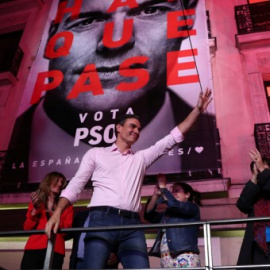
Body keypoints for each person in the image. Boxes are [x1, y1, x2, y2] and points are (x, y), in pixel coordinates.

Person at [4, 0, 219, 184]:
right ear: (52, 35)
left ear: (186, 17)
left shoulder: (204, 138)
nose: (115, 40)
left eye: (149, 11)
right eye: (87, 21)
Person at [44, 88, 212, 269]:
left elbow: (172, 138)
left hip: (132, 224)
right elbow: (76, 185)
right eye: (132, 126)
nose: (136, 130)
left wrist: (197, 110)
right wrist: (57, 212)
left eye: (139, 129)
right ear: (118, 128)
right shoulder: (96, 154)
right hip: (102, 219)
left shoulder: (140, 158)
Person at [144, 173, 201, 268]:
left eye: (177, 191)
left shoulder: (192, 207)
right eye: (172, 191)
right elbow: (149, 215)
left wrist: (163, 187)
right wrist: (155, 195)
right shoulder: (167, 215)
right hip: (166, 259)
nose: (173, 193)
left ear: (187, 195)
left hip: (184, 257)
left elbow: (174, 205)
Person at [20, 171, 74, 270]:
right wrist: (35, 210)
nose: (59, 184)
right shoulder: (37, 202)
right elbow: (27, 228)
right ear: (48, 181)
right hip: (34, 248)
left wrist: (55, 213)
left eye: (62, 182)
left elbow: (66, 232)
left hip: (56, 249)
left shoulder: (67, 206)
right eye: (57, 181)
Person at [237, 149, 270, 269]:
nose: (260, 170)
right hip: (259, 243)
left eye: (263, 168)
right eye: (256, 168)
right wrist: (254, 177)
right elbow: (242, 205)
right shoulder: (255, 191)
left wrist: (263, 170)